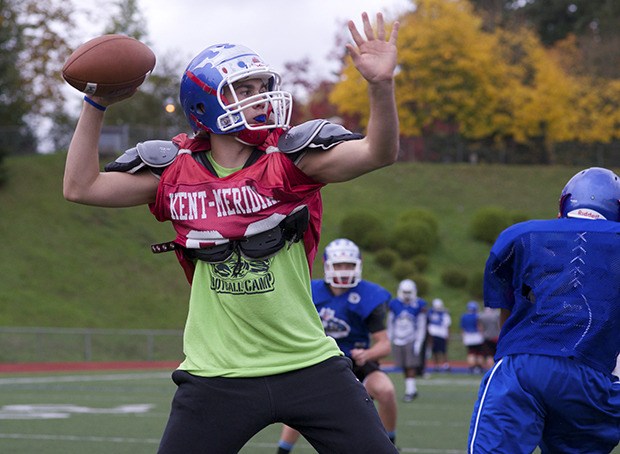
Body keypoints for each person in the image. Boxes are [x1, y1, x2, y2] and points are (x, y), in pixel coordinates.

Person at [63, 12, 400, 454]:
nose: (259, 99)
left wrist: (380, 86)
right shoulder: (175, 169)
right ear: (205, 104)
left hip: (308, 363)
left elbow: (379, 152)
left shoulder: (289, 160)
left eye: (261, 89)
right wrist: (95, 105)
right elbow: (80, 187)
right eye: (243, 90)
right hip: (216, 372)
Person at [468, 167, 620, 454]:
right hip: (592, 376)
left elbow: (507, 307)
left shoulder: (521, 235)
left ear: (565, 203)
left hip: (524, 365)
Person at [277, 239, 398, 452]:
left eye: (349, 265)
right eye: (339, 265)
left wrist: (367, 353)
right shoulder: (309, 291)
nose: (344, 270)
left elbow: (385, 345)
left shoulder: (368, 295)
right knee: (299, 401)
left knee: (386, 391)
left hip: (356, 362)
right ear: (327, 265)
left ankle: (391, 445)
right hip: (320, 359)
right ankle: (283, 450)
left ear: (358, 265)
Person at [387, 279, 427, 401]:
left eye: (409, 292)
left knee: (410, 366)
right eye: (405, 292)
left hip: (411, 338)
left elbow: (421, 325)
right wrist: (390, 339)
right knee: (404, 366)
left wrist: (419, 342)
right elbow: (390, 323)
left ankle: (410, 391)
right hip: (398, 338)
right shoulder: (394, 304)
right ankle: (412, 389)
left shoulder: (419, 304)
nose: (407, 295)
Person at [426, 298, 451, 371]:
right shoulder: (430, 313)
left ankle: (445, 364)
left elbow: (447, 325)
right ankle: (436, 365)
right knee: (435, 351)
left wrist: (448, 335)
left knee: (443, 351)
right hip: (433, 334)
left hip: (442, 334)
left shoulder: (444, 314)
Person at [460, 301, 485, 374]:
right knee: (479, 353)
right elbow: (479, 326)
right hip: (477, 335)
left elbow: (462, 328)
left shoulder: (464, 316)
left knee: (471, 353)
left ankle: (471, 368)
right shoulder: (477, 316)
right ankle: (478, 368)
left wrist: (463, 337)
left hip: (468, 336)